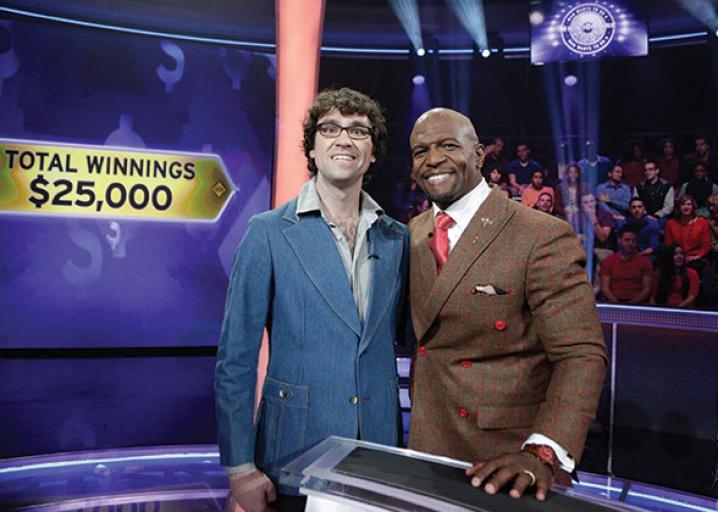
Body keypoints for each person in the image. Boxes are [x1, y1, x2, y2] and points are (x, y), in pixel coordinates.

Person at [215, 88, 408, 512]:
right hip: (294, 456)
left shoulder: (397, 238)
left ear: (373, 153)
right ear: (313, 148)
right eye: (330, 129)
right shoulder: (267, 232)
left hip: (379, 457)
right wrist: (240, 468)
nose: (344, 139)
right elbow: (236, 360)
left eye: (359, 131)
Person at [406, 108, 607, 501]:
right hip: (426, 448)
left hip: (508, 461)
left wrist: (542, 452)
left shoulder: (539, 234)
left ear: (479, 154)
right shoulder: (413, 233)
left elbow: (581, 354)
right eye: (420, 151)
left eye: (448, 146)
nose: (433, 159)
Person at [599, 226, 653, 304]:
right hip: (613, 303)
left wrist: (630, 305)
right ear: (619, 240)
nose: (630, 243)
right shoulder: (608, 261)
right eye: (627, 240)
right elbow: (605, 288)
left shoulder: (645, 262)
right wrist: (617, 305)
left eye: (633, 241)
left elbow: (647, 289)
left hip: (637, 304)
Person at [664, 194, 711, 270]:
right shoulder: (670, 224)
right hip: (677, 259)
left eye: (689, 204)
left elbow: (706, 246)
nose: (686, 207)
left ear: (693, 207)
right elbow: (669, 245)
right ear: (678, 207)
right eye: (683, 204)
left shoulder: (702, 222)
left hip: (696, 258)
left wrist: (696, 257)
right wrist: (679, 257)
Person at [616, 198, 660, 264]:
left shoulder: (653, 224)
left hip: (645, 255)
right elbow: (619, 245)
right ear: (630, 210)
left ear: (644, 209)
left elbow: (653, 248)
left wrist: (637, 256)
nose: (637, 210)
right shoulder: (622, 224)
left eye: (639, 207)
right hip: (626, 254)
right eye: (634, 207)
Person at [554, 163, 590, 234]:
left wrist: (577, 213)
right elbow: (557, 206)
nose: (573, 174)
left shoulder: (585, 187)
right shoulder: (560, 188)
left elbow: (588, 204)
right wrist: (566, 213)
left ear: (579, 174)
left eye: (575, 172)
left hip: (580, 215)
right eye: (570, 172)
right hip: (563, 215)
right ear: (567, 174)